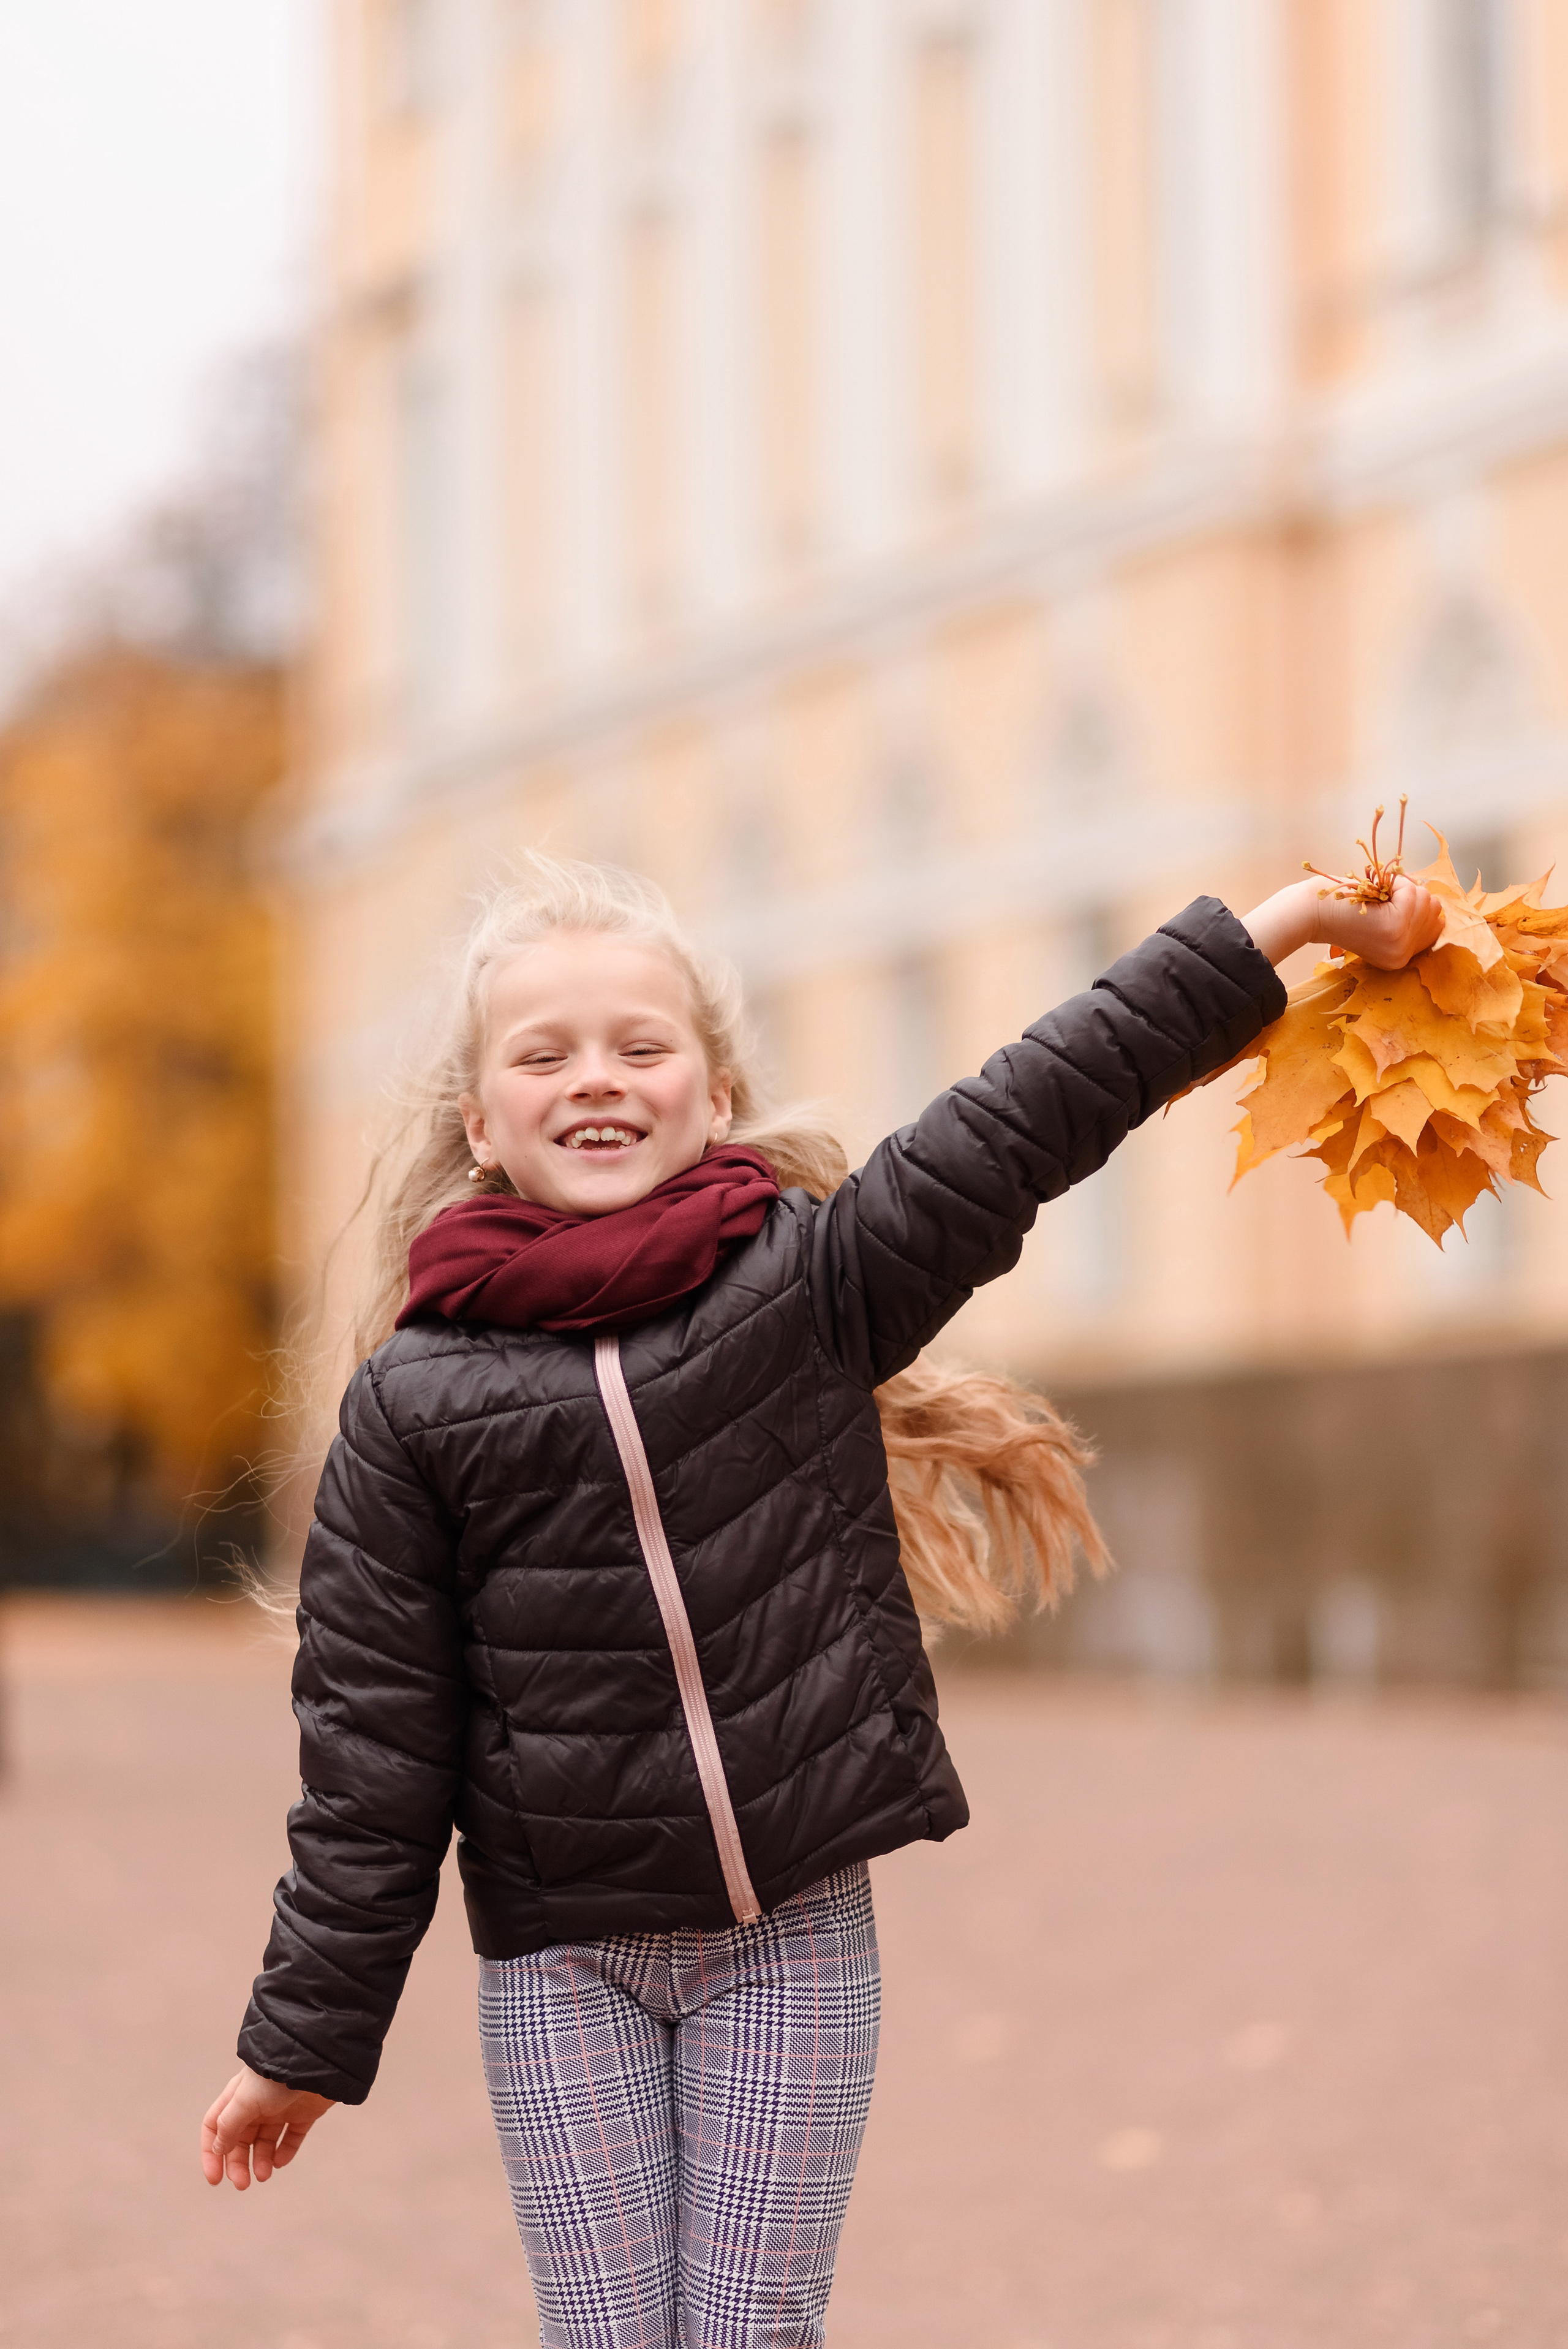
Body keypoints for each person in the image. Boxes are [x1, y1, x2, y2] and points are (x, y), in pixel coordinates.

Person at [201, 855, 1441, 2347]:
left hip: (787, 1935)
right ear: (479, 1123)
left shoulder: (809, 1286)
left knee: (743, 2328)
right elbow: (372, 1762)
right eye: (545, 1054)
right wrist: (304, 2041)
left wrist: (1284, 926)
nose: (596, 1077)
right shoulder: (410, 1410)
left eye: (639, 1046)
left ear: (712, 1095)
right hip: (563, 1963)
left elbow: (1033, 1108)